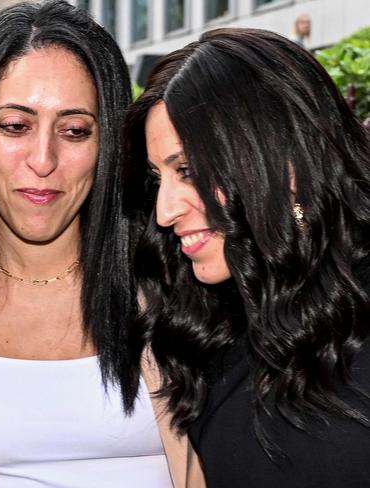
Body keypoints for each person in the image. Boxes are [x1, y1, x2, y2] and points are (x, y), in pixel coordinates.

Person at [0, 1, 194, 487]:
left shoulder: (172, 263)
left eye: (74, 130)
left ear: (107, 142)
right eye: (14, 126)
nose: (43, 159)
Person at [124, 27, 370, 487]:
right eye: (159, 179)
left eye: (188, 171)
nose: (164, 211)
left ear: (282, 159)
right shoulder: (204, 325)